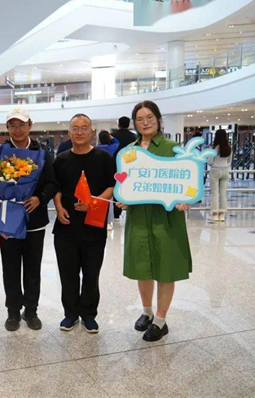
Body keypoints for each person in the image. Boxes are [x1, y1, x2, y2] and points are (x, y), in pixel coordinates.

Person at [115, 100, 191, 342]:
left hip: (166, 217)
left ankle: (160, 319)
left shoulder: (173, 148)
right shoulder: (128, 152)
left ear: (158, 119)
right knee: (142, 266)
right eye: (140, 119)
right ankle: (147, 311)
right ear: (134, 123)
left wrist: (185, 197)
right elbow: (124, 183)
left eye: (149, 117)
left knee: (165, 268)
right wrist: (123, 198)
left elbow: (189, 179)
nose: (145, 122)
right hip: (138, 217)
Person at [0, 108, 57, 332]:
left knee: (32, 269)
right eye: (13, 125)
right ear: (7, 128)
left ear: (30, 125)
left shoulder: (42, 152)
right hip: (8, 220)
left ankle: (31, 311)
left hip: (34, 220)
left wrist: (40, 198)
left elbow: (52, 182)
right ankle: (12, 311)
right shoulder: (0, 153)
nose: (17, 129)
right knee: (10, 268)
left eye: (21, 124)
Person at [53, 114, 116, 333]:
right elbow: (55, 187)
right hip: (66, 225)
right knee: (68, 274)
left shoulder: (104, 158)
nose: (79, 132)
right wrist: (58, 207)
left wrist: (93, 203)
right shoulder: (61, 159)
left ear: (92, 132)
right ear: (69, 133)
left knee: (91, 273)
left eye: (84, 128)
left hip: (94, 225)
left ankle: (89, 314)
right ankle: (70, 314)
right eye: (75, 128)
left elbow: (112, 186)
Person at [112, 117, 136, 219]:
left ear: (118, 124)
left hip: (115, 165)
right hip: (130, 165)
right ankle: (130, 209)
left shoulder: (112, 136)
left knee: (116, 187)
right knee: (130, 187)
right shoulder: (134, 137)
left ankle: (116, 212)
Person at [208, 129, 232, 222]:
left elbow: (210, 162)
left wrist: (215, 164)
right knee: (223, 194)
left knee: (215, 194)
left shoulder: (214, 149)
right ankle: (222, 215)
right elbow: (229, 161)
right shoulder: (229, 148)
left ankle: (215, 215)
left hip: (215, 171)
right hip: (225, 171)